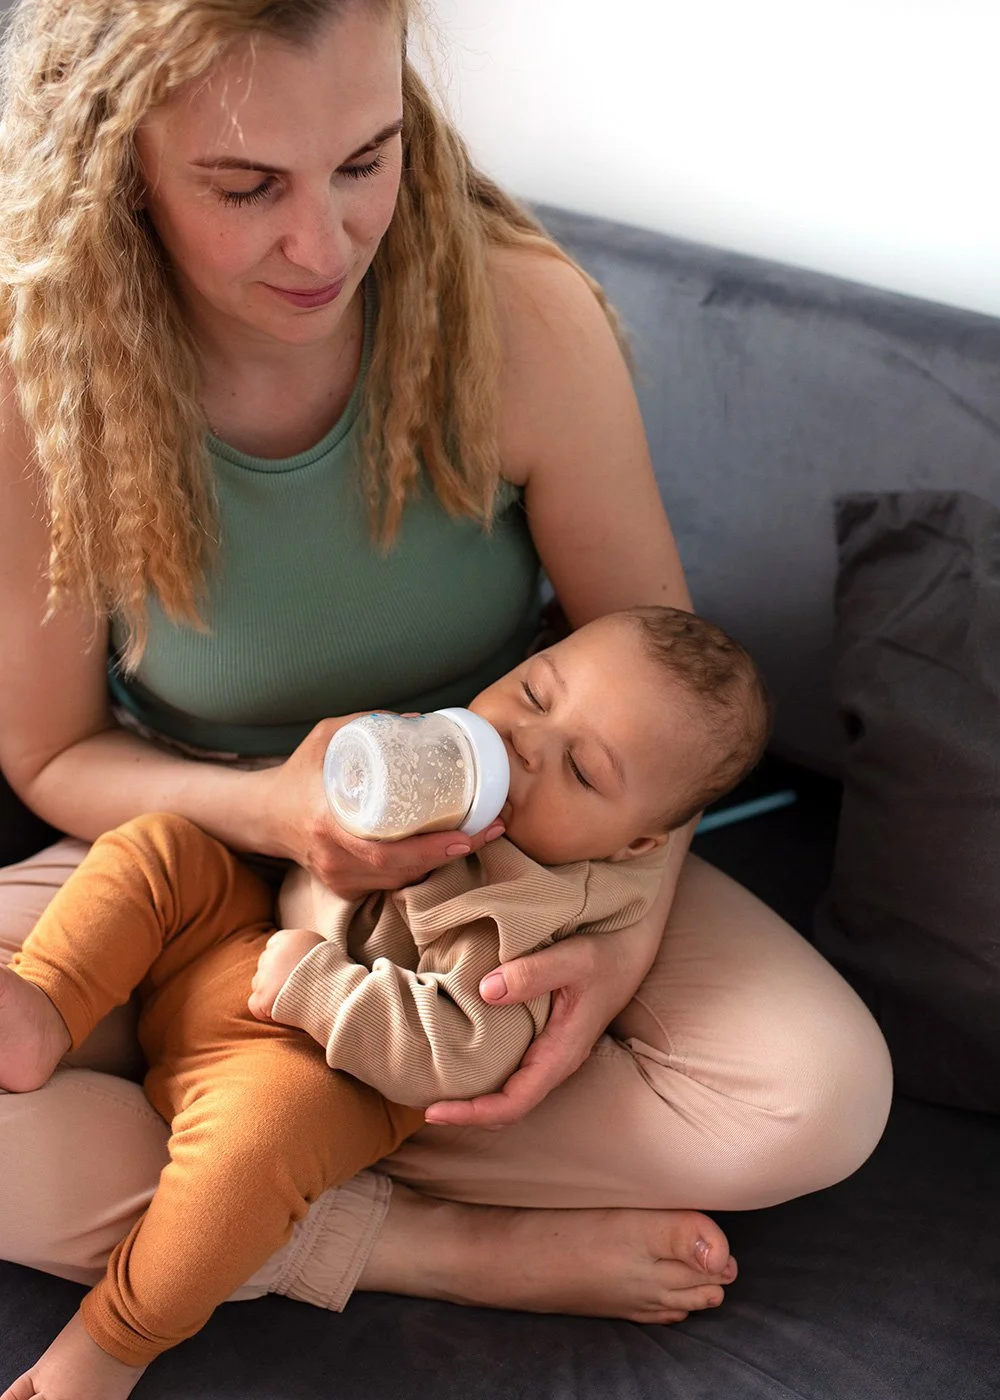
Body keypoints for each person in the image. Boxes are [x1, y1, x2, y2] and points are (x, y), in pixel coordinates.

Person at [0, 0, 893, 1397]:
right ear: (116, 171)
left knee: (816, 1096)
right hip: (202, 844)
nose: (325, 245)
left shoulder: (515, 315)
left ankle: (248, 1141)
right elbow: (54, 752)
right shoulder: (41, 379)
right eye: (245, 187)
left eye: (367, 160)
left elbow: (663, 702)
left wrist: (613, 947)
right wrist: (275, 811)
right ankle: (420, 1241)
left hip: (520, 857)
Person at [1, 605, 771, 1395]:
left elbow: (461, 1052)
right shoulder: (447, 763)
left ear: (638, 844)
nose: (527, 745)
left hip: (311, 1062)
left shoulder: (535, 912)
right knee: (160, 847)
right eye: (535, 695)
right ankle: (44, 1007)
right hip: (244, 926)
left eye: (581, 770)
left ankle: (118, 1340)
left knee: (261, 1148)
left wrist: (317, 987)